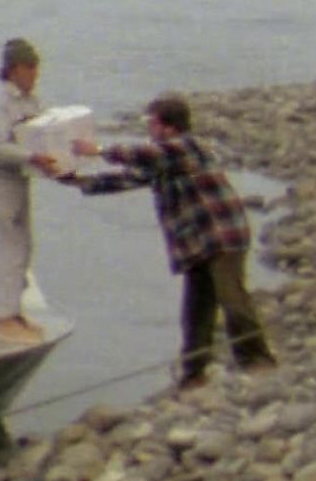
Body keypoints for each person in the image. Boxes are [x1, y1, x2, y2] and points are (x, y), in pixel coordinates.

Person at [60, 93, 277, 390]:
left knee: (232, 298)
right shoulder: (165, 159)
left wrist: (97, 150)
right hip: (197, 243)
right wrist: (73, 180)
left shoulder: (189, 147)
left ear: (169, 127)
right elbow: (128, 178)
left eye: (152, 124)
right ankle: (194, 373)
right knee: (196, 308)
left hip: (223, 234)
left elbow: (146, 155)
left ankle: (257, 360)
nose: (149, 130)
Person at [0, 37, 60, 346]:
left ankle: (15, 310)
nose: (35, 73)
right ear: (13, 69)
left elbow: (44, 132)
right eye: (30, 67)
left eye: (36, 67)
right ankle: (2, 316)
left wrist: (59, 161)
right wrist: (31, 157)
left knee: (24, 245)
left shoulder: (31, 101)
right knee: (5, 246)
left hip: (21, 179)